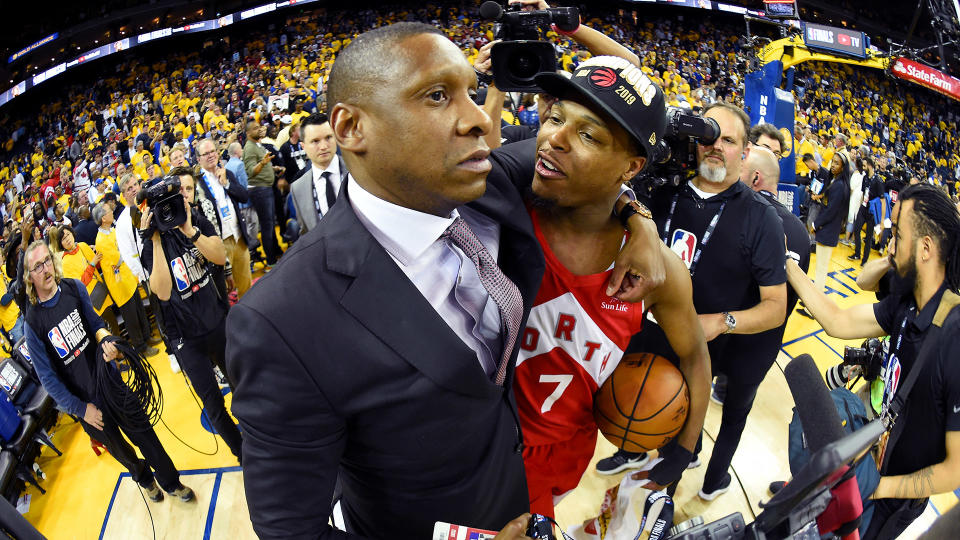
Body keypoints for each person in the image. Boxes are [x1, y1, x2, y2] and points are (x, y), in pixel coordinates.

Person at [226, 23, 663, 539]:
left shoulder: (489, 180)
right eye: (437, 96)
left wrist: (638, 220)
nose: (480, 118)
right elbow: (290, 532)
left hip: (522, 487)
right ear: (350, 129)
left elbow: (613, 149)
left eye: (472, 93)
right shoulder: (281, 322)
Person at [512, 56, 711, 518]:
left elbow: (695, 353)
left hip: (564, 449)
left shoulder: (658, 269)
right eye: (556, 117)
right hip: (477, 436)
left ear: (632, 166)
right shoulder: (507, 202)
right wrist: (635, 214)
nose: (554, 137)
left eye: (587, 134)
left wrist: (684, 446)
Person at [597, 103, 788, 503]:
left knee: (672, 454)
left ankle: (666, 492)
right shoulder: (663, 190)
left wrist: (721, 322)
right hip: (640, 334)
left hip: (696, 352)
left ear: (746, 151)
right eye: (709, 137)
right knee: (631, 414)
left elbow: (775, 306)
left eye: (729, 141)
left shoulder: (761, 217)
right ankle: (630, 450)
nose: (716, 147)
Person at [784, 184, 960, 539]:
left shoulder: (954, 338)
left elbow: (956, 469)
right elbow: (837, 321)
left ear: (926, 248)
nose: (889, 242)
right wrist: (789, 266)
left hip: (890, 497)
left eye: (897, 233)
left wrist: (880, 488)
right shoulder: (907, 302)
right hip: (867, 459)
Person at [22, 240, 195, 503]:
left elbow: (96, 324)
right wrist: (82, 410)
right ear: (29, 276)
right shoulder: (33, 323)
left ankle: (171, 481)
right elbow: (48, 379)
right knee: (123, 452)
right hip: (88, 404)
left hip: (111, 383)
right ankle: (146, 480)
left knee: (144, 433)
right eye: (37, 266)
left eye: (47, 260)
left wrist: (107, 341)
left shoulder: (73, 288)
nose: (46, 268)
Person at [141, 166, 243, 461]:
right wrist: (156, 240)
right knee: (213, 405)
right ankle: (242, 454)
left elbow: (220, 256)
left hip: (216, 322)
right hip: (187, 339)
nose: (182, 198)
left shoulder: (195, 220)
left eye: (187, 191)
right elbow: (161, 291)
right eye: (178, 192)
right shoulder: (152, 241)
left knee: (241, 386)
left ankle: (258, 437)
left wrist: (189, 229)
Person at [114, 174, 181, 374]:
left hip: (168, 261)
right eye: (129, 188)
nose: (134, 189)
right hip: (148, 273)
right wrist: (144, 275)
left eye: (135, 184)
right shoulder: (123, 221)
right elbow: (127, 255)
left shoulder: (151, 204)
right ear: (123, 194)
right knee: (161, 313)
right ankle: (172, 353)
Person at [93, 203, 158, 357]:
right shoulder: (101, 240)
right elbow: (120, 256)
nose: (112, 211)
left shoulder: (113, 230)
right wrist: (127, 251)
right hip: (119, 285)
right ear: (103, 218)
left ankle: (148, 337)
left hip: (128, 278)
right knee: (131, 318)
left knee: (139, 310)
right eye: (109, 211)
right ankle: (140, 347)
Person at [195, 138, 253, 298]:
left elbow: (243, 196)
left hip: (239, 238)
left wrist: (227, 183)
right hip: (220, 243)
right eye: (205, 153)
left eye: (213, 151)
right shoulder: (197, 185)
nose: (210, 155)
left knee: (246, 287)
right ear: (198, 159)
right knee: (224, 293)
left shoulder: (228, 174)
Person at [288, 113, 348, 235]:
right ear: (303, 146)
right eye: (315, 141)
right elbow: (306, 233)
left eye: (328, 138)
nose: (323, 146)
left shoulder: (357, 170)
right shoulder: (298, 188)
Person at [243, 121, 282, 266]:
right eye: (254, 128)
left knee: (270, 224)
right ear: (247, 133)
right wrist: (263, 163)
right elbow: (251, 171)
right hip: (259, 190)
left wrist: (275, 168)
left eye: (259, 127)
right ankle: (271, 260)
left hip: (265, 188)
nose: (258, 130)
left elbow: (262, 164)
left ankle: (276, 252)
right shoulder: (249, 148)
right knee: (267, 226)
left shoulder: (257, 145)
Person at [811, 152, 852, 292]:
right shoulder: (835, 181)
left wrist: (815, 224)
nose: (833, 165)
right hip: (828, 229)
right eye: (832, 162)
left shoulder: (840, 185)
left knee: (821, 270)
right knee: (820, 269)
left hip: (828, 230)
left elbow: (831, 211)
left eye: (837, 163)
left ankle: (814, 307)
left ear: (843, 167)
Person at [849, 158, 887, 266]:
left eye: (864, 165)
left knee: (869, 237)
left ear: (870, 165)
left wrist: (882, 219)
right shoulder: (865, 177)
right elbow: (863, 194)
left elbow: (883, 201)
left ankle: (864, 260)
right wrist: (860, 207)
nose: (863, 167)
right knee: (856, 229)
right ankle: (857, 254)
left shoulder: (878, 181)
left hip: (872, 211)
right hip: (863, 207)